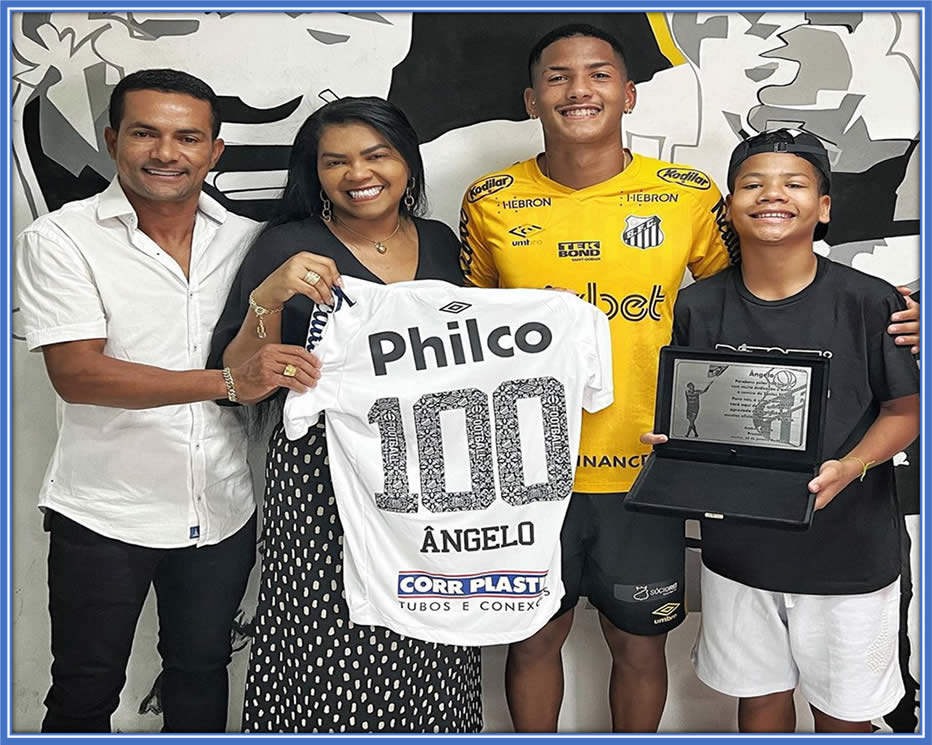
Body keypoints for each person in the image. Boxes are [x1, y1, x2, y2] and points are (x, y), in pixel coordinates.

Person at [458, 24, 921, 733]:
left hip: (653, 470)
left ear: (629, 93)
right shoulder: (488, 198)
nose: (579, 90)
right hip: (530, 470)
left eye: (598, 74)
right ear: (530, 98)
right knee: (533, 638)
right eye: (557, 77)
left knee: (639, 644)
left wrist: (898, 314)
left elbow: (759, 290)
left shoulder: (687, 195)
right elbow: (465, 322)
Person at [14, 69, 315, 733]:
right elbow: (80, 374)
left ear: (215, 152)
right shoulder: (61, 239)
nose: (166, 152)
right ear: (111, 138)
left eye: (187, 137)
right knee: (84, 692)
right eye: (145, 133)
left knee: (201, 673)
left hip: (221, 509)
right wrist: (226, 383)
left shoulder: (250, 243)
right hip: (102, 515)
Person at [208, 96, 483, 733]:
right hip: (320, 476)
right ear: (316, 174)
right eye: (335, 162)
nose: (358, 173)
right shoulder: (287, 245)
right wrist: (266, 299)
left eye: (376, 154)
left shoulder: (441, 241)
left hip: (433, 474)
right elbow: (236, 371)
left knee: (429, 621)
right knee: (327, 625)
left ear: (407, 164)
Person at [649, 128, 920, 733]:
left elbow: (905, 412)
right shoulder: (697, 306)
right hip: (740, 552)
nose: (773, 195)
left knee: (844, 713)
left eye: (794, 184)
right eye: (753, 184)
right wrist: (680, 448)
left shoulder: (871, 302)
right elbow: (696, 410)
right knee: (759, 698)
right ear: (728, 206)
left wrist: (852, 465)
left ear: (823, 208)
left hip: (847, 554)